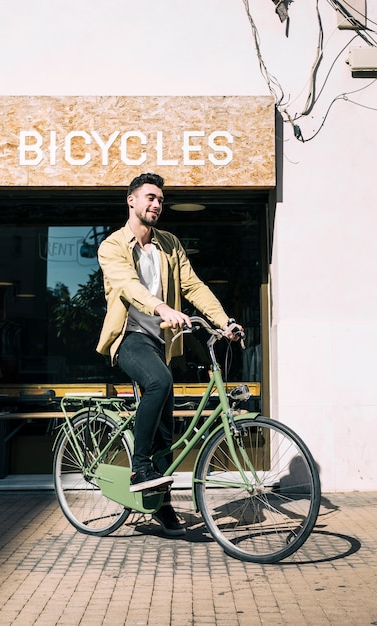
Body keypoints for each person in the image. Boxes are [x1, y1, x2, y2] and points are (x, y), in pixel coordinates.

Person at [96, 172, 242, 536]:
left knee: (167, 428)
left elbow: (193, 285)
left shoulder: (169, 244)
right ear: (131, 200)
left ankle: (161, 506)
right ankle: (139, 467)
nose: (156, 205)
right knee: (159, 382)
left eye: (160, 200)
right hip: (128, 336)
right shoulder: (111, 246)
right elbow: (128, 286)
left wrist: (224, 321)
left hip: (160, 344)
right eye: (149, 198)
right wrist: (161, 308)